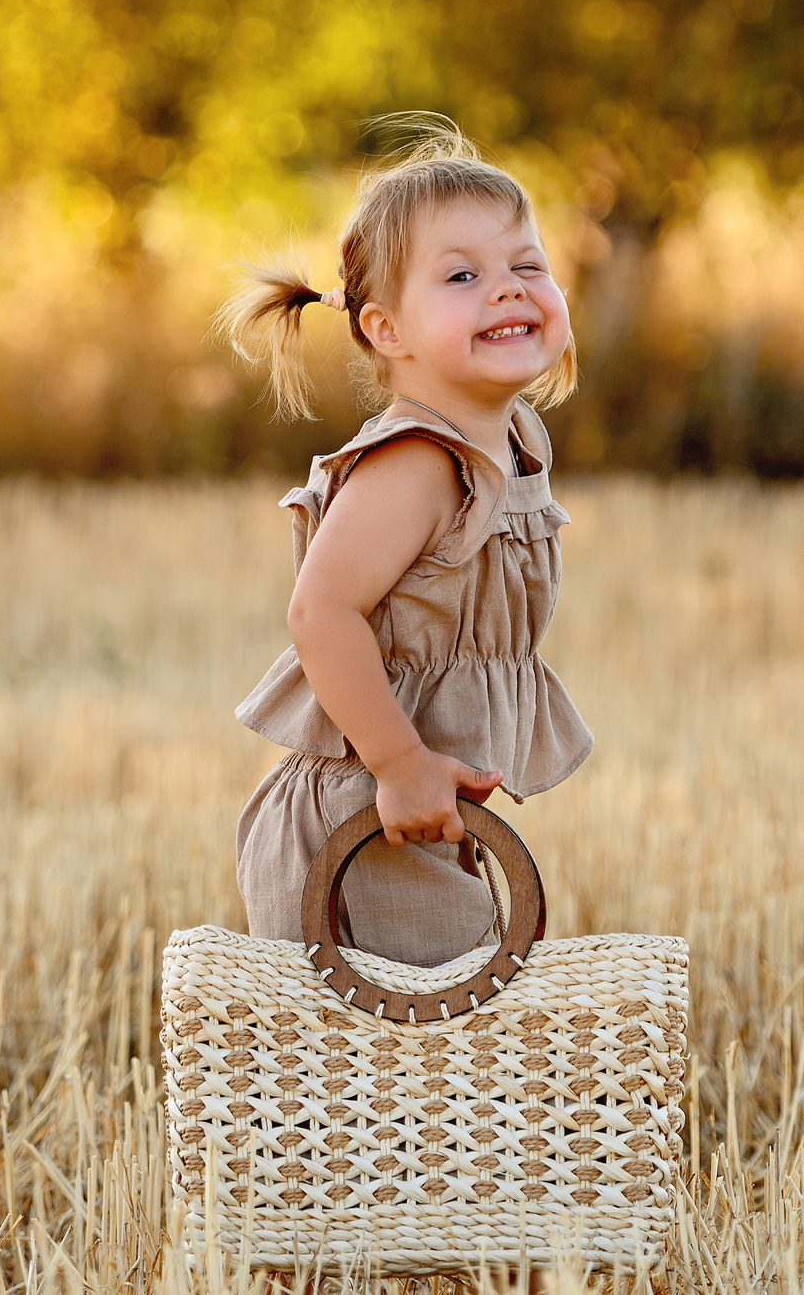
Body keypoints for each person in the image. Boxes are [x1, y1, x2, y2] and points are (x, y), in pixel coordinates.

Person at [218, 115, 593, 967]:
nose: (508, 289)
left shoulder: (516, 439)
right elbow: (321, 610)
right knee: (415, 1056)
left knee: (431, 1058)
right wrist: (397, 760)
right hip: (361, 812)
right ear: (386, 329)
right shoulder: (419, 461)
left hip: (412, 802)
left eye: (527, 266)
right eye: (463, 275)